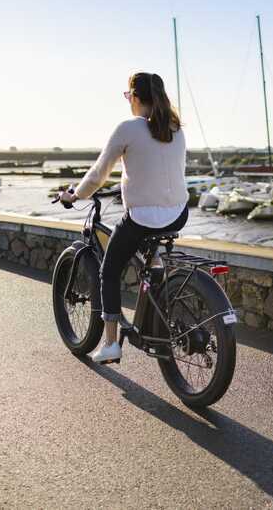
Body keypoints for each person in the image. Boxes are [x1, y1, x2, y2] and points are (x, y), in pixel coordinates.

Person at [61, 72, 188, 363]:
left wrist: (74, 195)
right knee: (149, 249)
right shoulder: (175, 128)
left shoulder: (128, 128)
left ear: (136, 97)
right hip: (178, 214)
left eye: (128, 95)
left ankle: (110, 344)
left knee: (109, 270)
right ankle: (155, 281)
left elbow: (97, 174)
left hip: (143, 217)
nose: (127, 100)